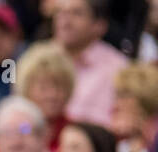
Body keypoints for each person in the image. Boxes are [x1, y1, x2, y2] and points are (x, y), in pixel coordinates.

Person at [52, 0, 129, 128]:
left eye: (76, 13)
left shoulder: (117, 68)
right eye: (61, 13)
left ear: (100, 25)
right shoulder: (39, 60)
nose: (65, 22)